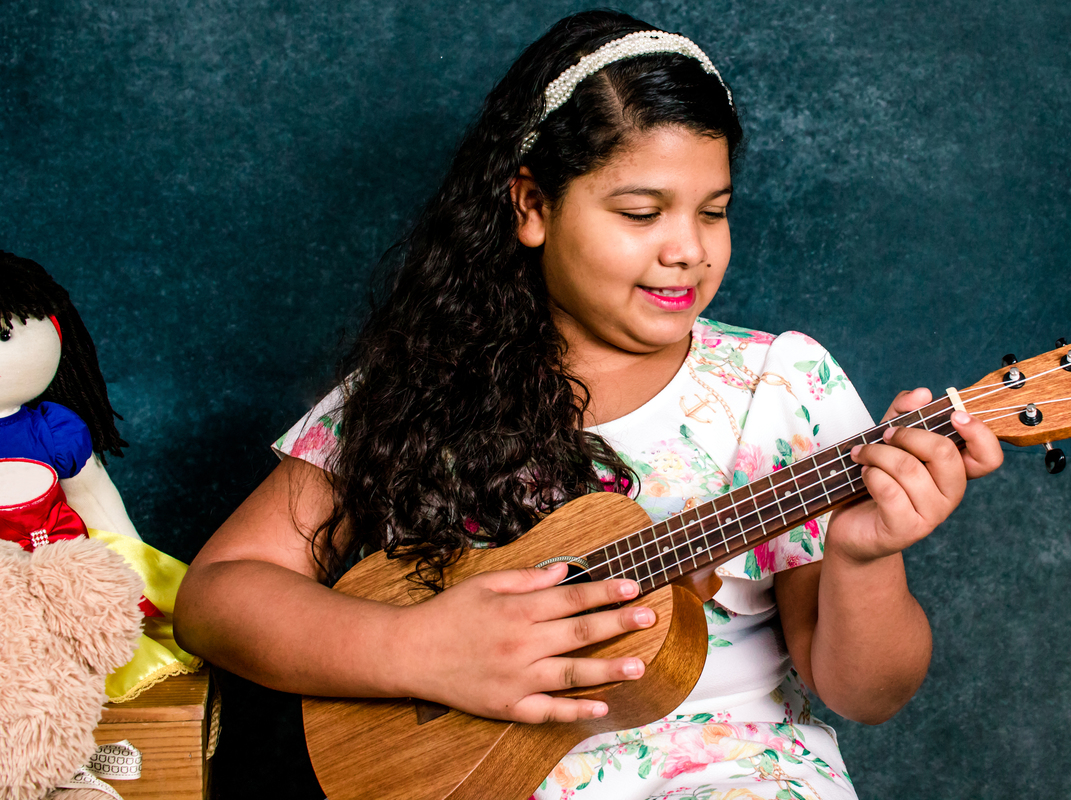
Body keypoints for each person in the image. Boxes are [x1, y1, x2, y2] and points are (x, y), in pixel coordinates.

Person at [175, 10, 1003, 799]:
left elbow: (867, 693)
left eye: (713, 212)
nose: (687, 249)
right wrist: (418, 649)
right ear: (532, 206)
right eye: (641, 212)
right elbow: (218, 595)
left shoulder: (779, 386)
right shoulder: (421, 387)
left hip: (729, 771)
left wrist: (866, 557)